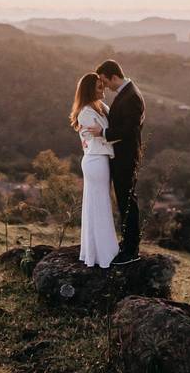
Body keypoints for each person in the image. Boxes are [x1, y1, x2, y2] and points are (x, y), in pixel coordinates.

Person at [85, 59, 145, 265]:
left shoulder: (132, 97)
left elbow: (130, 130)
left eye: (104, 80)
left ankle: (131, 250)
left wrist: (103, 132)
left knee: (127, 202)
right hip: (121, 156)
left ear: (113, 77)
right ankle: (127, 243)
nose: (105, 86)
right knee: (123, 201)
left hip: (126, 158)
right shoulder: (127, 93)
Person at [70, 72, 120, 268]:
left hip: (101, 159)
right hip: (95, 161)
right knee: (98, 206)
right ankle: (102, 254)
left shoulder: (102, 108)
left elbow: (107, 132)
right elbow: (107, 137)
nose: (104, 90)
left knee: (99, 205)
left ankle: (96, 251)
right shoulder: (85, 113)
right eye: (100, 87)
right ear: (90, 90)